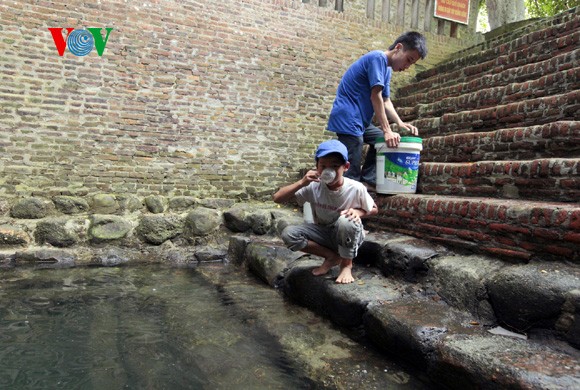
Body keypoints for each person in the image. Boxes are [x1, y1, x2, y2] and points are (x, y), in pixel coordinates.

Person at [327, 31, 428, 189]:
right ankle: (349, 191)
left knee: (381, 140)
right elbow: (376, 96)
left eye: (411, 64)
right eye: (408, 60)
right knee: (355, 151)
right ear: (398, 47)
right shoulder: (377, 58)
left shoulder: (386, 69)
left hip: (361, 120)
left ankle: (368, 180)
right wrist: (388, 130)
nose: (407, 67)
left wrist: (400, 123)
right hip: (348, 116)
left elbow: (386, 101)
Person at [273, 140, 377, 284]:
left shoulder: (355, 188)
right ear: (317, 167)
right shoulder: (313, 186)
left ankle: (346, 264)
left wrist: (358, 212)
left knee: (346, 220)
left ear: (345, 167)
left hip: (349, 233)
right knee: (289, 234)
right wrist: (301, 183)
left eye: (334, 166)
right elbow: (277, 198)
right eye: (323, 166)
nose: (329, 170)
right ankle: (331, 257)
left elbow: (374, 209)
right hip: (324, 232)